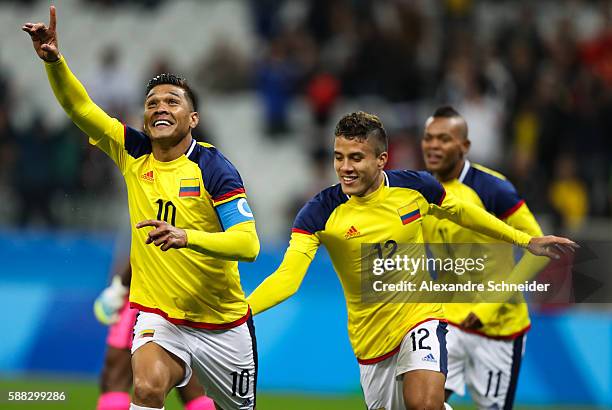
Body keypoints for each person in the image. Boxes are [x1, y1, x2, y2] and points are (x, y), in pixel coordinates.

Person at [246, 111, 576, 410]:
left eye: (357, 158)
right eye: (339, 157)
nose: (346, 168)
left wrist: (525, 240)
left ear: (381, 159)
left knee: (424, 404)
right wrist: (241, 312)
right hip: (371, 341)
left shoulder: (415, 188)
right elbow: (288, 277)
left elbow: (460, 211)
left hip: (421, 318)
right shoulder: (319, 211)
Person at [23, 7, 260, 410]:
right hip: (158, 315)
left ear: (193, 118)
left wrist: (187, 237)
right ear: (144, 118)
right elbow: (81, 110)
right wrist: (54, 62)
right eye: (152, 102)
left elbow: (248, 244)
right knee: (147, 389)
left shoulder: (214, 168)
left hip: (223, 323)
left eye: (172, 101)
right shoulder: (131, 150)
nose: (160, 107)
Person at [420, 106, 549, 409]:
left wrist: (489, 307)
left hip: (498, 329)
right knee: (419, 403)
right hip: (448, 322)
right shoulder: (420, 190)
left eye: (444, 138)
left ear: (464, 146)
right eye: (428, 138)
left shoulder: (492, 188)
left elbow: (540, 251)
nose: (433, 145)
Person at [94, 260, 215, 410]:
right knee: (196, 392)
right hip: (189, 304)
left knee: (114, 380)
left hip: (146, 301)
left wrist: (118, 289)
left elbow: (146, 248)